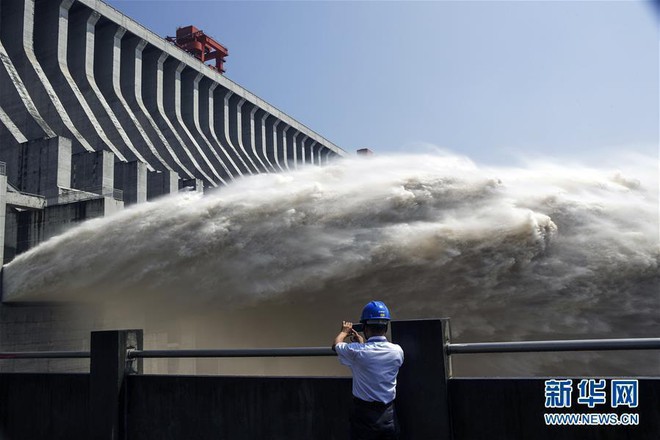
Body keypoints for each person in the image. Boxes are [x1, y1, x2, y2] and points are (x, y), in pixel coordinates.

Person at [332, 300, 404, 440]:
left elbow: (336, 346)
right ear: (386, 327)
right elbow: (374, 356)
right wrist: (362, 344)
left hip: (364, 416)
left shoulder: (357, 352)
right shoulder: (397, 351)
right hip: (389, 414)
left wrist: (344, 332)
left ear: (364, 327)